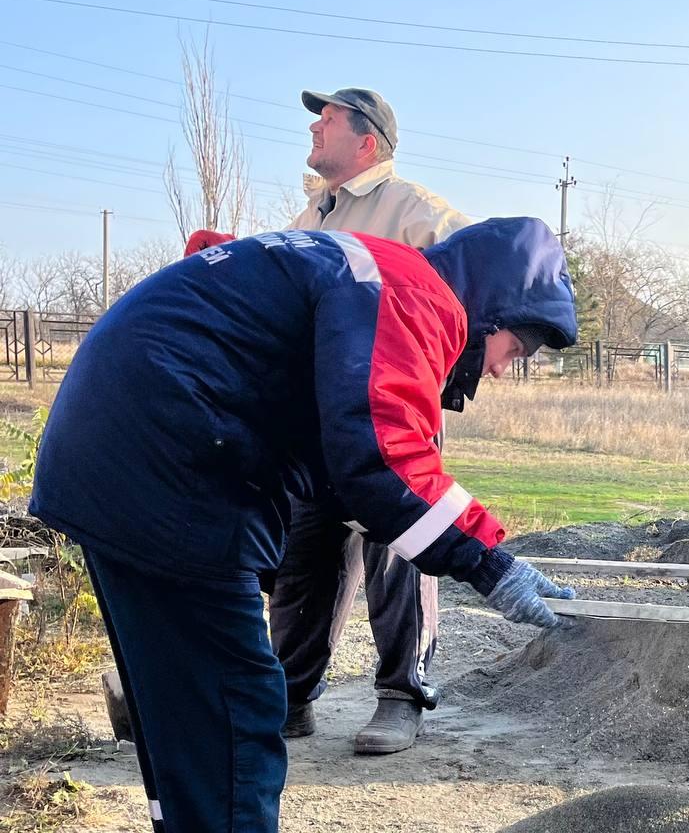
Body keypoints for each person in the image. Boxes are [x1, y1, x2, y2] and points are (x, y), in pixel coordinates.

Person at [30, 217, 578, 833]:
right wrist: (490, 562)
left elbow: (335, 459)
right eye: (518, 350)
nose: (505, 369)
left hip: (119, 449)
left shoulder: (361, 267)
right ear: (493, 310)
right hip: (171, 462)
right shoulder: (409, 290)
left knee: (183, 710)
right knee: (236, 710)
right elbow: (382, 457)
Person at [275, 87, 471, 755]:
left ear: (367, 140)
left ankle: (401, 696)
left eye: (326, 119)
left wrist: (434, 373)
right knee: (308, 553)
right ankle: (292, 695)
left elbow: (472, 279)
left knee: (400, 545)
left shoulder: (414, 210)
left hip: (392, 415)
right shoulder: (313, 213)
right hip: (316, 417)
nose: (314, 125)